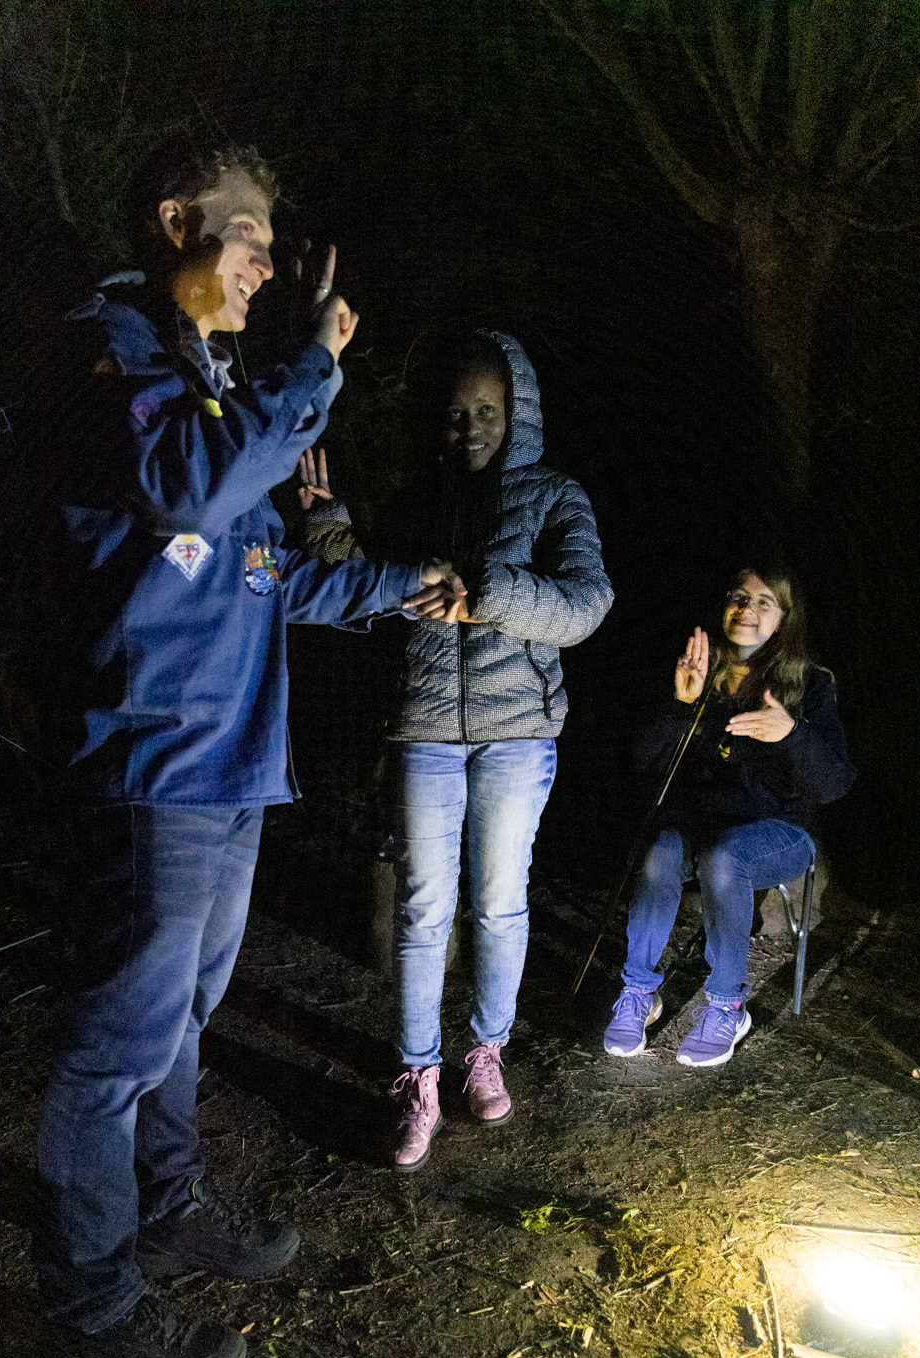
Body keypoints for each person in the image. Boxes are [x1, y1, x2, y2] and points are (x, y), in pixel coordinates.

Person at [34, 137, 464, 1358]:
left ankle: (167, 1206)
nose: (266, 269)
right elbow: (186, 494)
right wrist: (309, 368)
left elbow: (265, 574)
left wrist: (401, 585)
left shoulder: (213, 377)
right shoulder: (112, 350)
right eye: (248, 238)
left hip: (230, 761)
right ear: (176, 220)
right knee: (114, 1048)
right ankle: (89, 1305)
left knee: (182, 1018)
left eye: (276, 249)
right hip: (153, 758)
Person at [298, 330, 613, 1170]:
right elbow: (367, 596)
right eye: (454, 413)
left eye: (486, 410)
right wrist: (329, 528)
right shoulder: (415, 504)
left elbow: (587, 603)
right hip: (425, 729)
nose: (469, 426)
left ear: (517, 413)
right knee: (422, 906)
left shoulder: (555, 496)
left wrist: (491, 597)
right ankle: (418, 1076)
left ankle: (485, 1051)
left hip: (518, 732)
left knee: (500, 902)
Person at [603, 565, 855, 1068]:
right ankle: (638, 993)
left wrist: (793, 735)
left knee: (725, 857)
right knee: (661, 851)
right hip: (701, 825)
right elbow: (642, 761)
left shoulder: (809, 684)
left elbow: (834, 785)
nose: (747, 610)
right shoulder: (698, 671)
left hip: (781, 833)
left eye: (764, 602)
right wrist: (681, 704)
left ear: (784, 619)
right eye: (739, 597)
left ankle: (727, 1006)